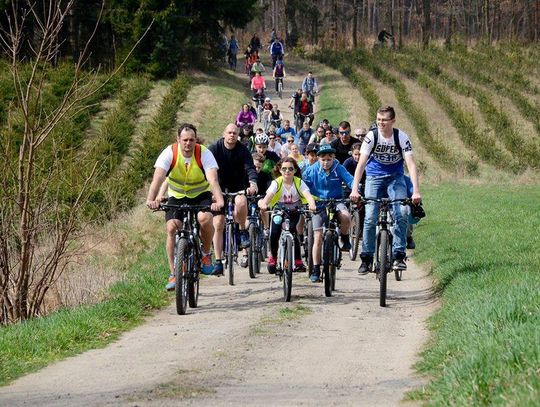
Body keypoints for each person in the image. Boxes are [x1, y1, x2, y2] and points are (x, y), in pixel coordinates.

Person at [146, 123, 224, 290]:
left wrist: (219, 201)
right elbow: (158, 178)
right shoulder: (170, 153)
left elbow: (213, 180)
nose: (188, 143)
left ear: (196, 140)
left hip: (200, 195)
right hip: (177, 196)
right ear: (178, 140)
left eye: (192, 140)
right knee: (172, 227)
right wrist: (151, 199)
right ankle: (174, 273)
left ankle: (205, 253)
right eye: (185, 140)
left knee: (205, 218)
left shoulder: (204, 153)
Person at [350, 105, 421, 274]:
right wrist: (354, 189)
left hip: (395, 178)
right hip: (374, 177)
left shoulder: (401, 137)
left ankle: (398, 255)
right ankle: (366, 258)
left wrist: (416, 191)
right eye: (378, 120)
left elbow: (410, 164)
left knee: (401, 213)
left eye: (384, 120)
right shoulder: (371, 137)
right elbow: (361, 164)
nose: (381, 123)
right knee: (370, 217)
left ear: (393, 121)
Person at [209, 124, 259, 273]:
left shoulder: (243, 150)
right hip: (219, 189)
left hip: (238, 186)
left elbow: (250, 168)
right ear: (224, 134)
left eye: (235, 133)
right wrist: (210, 190)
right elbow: (206, 169)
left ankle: (242, 230)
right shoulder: (214, 149)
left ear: (238, 135)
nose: (232, 135)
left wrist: (253, 183)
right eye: (229, 132)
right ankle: (218, 261)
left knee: (241, 202)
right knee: (218, 223)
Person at [302, 144, 354, 282]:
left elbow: (350, 180)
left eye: (329, 159)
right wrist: (308, 201)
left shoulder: (339, 168)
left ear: (333, 158)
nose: (326, 162)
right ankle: (315, 269)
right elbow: (303, 187)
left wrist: (356, 190)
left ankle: (344, 237)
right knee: (317, 237)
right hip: (318, 204)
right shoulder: (310, 171)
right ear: (318, 158)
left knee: (346, 217)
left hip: (336, 200)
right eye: (323, 159)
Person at [259, 157, 317, 274]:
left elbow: (308, 195)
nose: (287, 171)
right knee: (274, 233)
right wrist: (264, 204)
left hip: (294, 211)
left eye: (290, 169)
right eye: (284, 168)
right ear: (280, 170)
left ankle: (297, 260)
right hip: (279, 210)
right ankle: (273, 258)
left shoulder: (299, 182)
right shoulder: (277, 182)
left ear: (295, 170)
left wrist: (312, 204)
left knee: (293, 232)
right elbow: (269, 195)